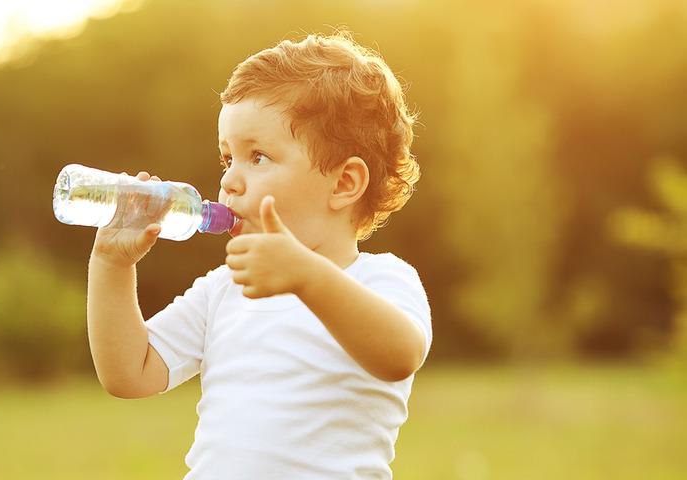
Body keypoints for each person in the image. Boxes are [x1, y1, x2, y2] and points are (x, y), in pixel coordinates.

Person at [86, 30, 432, 479]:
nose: (230, 181)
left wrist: (306, 276)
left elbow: (399, 354)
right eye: (227, 159)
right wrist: (112, 265)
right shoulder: (225, 288)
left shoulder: (381, 279)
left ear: (345, 183)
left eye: (259, 157)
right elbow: (131, 374)